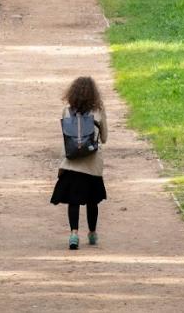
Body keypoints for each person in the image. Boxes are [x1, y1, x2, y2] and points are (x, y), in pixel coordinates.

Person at [50, 76, 108, 250]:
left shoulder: (66, 111)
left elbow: (66, 138)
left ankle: (74, 233)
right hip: (92, 163)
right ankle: (92, 233)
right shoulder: (98, 111)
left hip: (71, 162)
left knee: (73, 201)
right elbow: (104, 138)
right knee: (92, 201)